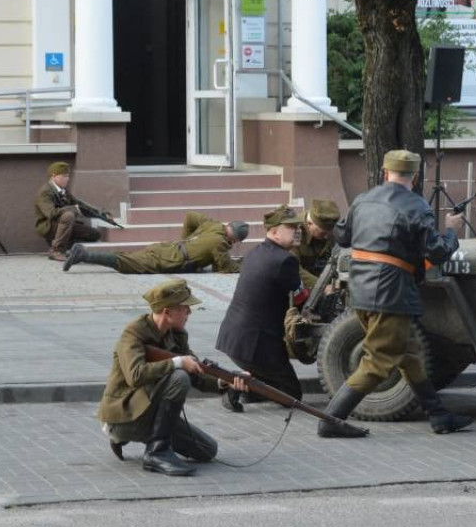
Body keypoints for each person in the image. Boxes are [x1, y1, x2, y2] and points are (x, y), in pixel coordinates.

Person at [317, 149, 470, 438]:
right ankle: (330, 420)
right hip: (391, 295)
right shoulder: (417, 206)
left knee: (409, 352)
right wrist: (452, 230)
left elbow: (342, 236)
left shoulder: (363, 200)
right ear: (414, 178)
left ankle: (438, 415)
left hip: (361, 292)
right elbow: (436, 252)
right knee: (377, 362)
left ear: (385, 173)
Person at [97, 278, 248, 476]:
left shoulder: (176, 334)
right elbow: (135, 375)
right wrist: (177, 362)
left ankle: (153, 440)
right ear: (167, 312)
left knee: (207, 450)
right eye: (185, 308)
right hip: (125, 415)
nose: (189, 313)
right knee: (179, 377)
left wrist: (225, 381)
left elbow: (196, 373)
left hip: (151, 412)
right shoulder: (134, 333)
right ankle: (155, 452)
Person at [216, 205, 306, 413]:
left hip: (235, 338)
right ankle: (235, 385)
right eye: (292, 227)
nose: (298, 230)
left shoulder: (256, 252)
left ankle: (245, 384)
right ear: (274, 231)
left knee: (275, 383)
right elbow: (300, 298)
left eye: (299, 226)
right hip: (257, 345)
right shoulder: (285, 260)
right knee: (291, 394)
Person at [63, 211, 247, 274]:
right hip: (169, 260)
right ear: (236, 239)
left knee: (127, 258)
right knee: (127, 264)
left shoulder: (213, 225)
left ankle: (78, 255)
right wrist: (244, 265)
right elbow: (225, 267)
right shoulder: (221, 244)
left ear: (229, 224)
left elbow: (190, 217)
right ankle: (83, 254)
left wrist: (185, 240)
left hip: (167, 248)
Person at [33, 161, 102, 261]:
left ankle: (68, 247)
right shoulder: (44, 192)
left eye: (68, 176)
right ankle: (56, 250)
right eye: (64, 176)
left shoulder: (63, 190)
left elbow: (79, 204)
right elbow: (51, 213)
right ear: (54, 176)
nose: (67, 179)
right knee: (68, 215)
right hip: (49, 226)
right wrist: (72, 209)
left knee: (94, 234)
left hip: (64, 225)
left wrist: (100, 213)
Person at [292, 199, 341, 291]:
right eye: (323, 233)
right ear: (309, 224)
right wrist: (322, 286)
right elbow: (293, 268)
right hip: (300, 287)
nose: (326, 237)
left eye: (329, 233)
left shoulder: (329, 228)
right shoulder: (294, 231)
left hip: (322, 279)